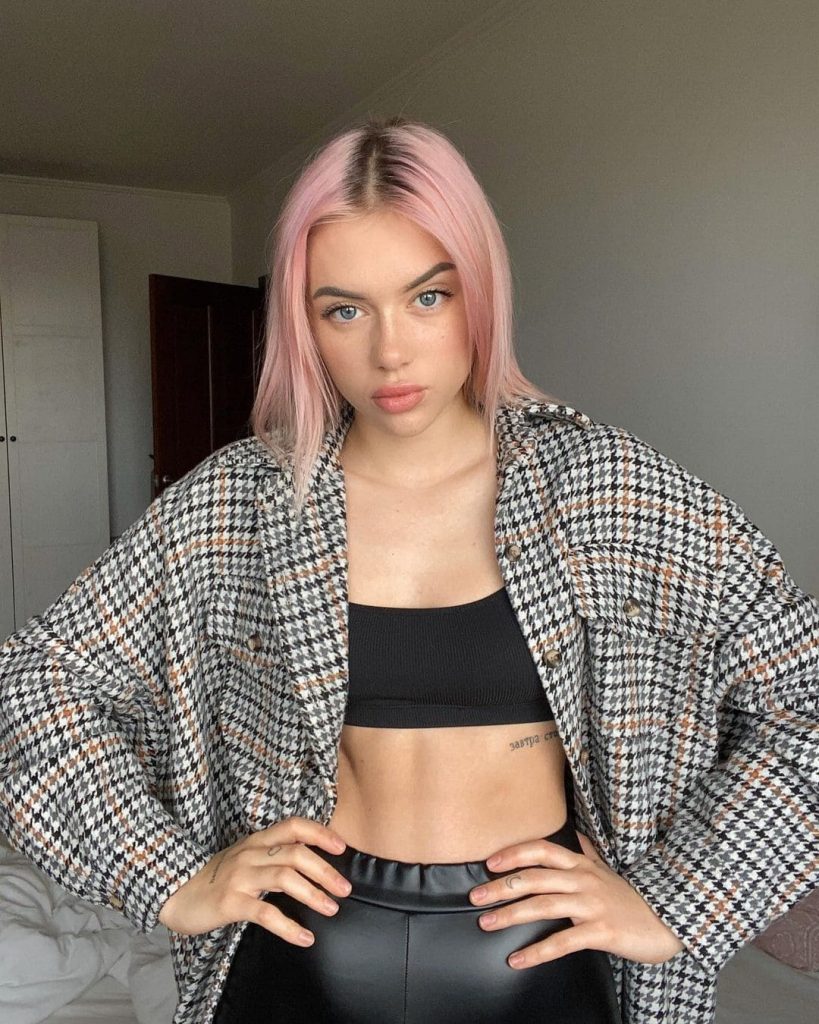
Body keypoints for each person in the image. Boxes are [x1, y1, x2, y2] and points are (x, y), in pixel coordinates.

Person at [0, 117, 816, 1024]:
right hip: (296, 949)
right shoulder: (238, 500)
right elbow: (36, 685)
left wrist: (681, 897)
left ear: (481, 292)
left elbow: (803, 694)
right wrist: (170, 876)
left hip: (541, 955)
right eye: (344, 310)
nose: (389, 351)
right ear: (304, 323)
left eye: (428, 297)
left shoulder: (607, 489)